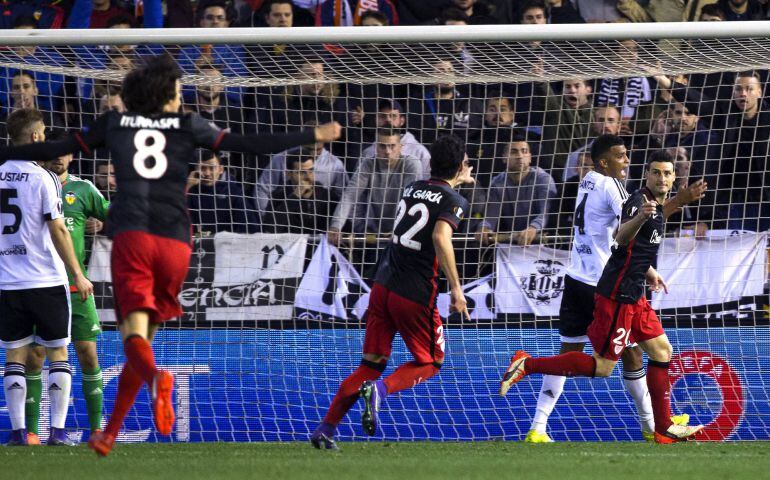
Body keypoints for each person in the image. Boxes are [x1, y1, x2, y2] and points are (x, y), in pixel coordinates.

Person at [0, 54, 342, 456]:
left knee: (132, 337)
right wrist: (311, 133)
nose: (182, 98)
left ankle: (155, 379)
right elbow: (247, 144)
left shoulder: (114, 124)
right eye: (179, 91)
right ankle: (108, 433)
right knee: (144, 337)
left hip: (132, 237)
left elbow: (56, 146)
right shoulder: (188, 125)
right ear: (165, 94)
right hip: (176, 242)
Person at [499, 149, 707, 444]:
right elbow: (621, 238)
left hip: (631, 292)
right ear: (647, 175)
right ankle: (527, 364)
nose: (662, 178)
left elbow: (637, 241)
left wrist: (648, 270)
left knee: (662, 352)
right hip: (618, 294)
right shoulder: (636, 200)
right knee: (604, 366)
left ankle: (663, 427)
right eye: (656, 172)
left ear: (674, 177)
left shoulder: (639, 199)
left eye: (667, 173)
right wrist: (650, 215)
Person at [310, 134, 474, 450]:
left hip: (382, 287)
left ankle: (325, 428)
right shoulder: (455, 201)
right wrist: (456, 289)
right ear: (459, 166)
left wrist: (457, 180)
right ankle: (380, 392)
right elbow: (441, 236)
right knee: (431, 362)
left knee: (370, 364)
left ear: (430, 162)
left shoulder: (413, 189)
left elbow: (436, 198)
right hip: (413, 293)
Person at [0, 108, 94, 446]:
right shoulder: (42, 178)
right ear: (36, 137)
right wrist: (79, 274)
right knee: (58, 354)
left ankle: (17, 433)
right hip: (45, 280)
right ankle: (56, 432)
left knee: (15, 356)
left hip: (8, 282)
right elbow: (58, 229)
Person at [25, 147, 110, 445]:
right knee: (35, 358)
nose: (59, 157)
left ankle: (97, 430)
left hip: (76, 287)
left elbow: (114, 215)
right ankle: (32, 433)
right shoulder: (31, 184)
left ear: (72, 157)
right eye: (54, 151)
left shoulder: (83, 189)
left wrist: (102, 223)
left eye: (65, 152)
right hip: (39, 284)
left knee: (88, 353)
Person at [477, 138, 556, 247]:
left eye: (524, 151)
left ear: (530, 158)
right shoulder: (497, 183)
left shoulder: (543, 179)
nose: (520, 156)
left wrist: (533, 228)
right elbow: (491, 216)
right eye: (514, 152)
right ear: (504, 158)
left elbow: (546, 213)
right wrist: (484, 227)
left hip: (543, 239)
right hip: (512, 242)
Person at [186, 150, 259, 234]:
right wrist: (188, 187)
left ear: (221, 169)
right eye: (202, 168)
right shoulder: (190, 191)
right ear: (195, 169)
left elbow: (250, 227)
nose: (207, 173)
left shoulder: (234, 192)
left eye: (212, 168)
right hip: (198, 242)